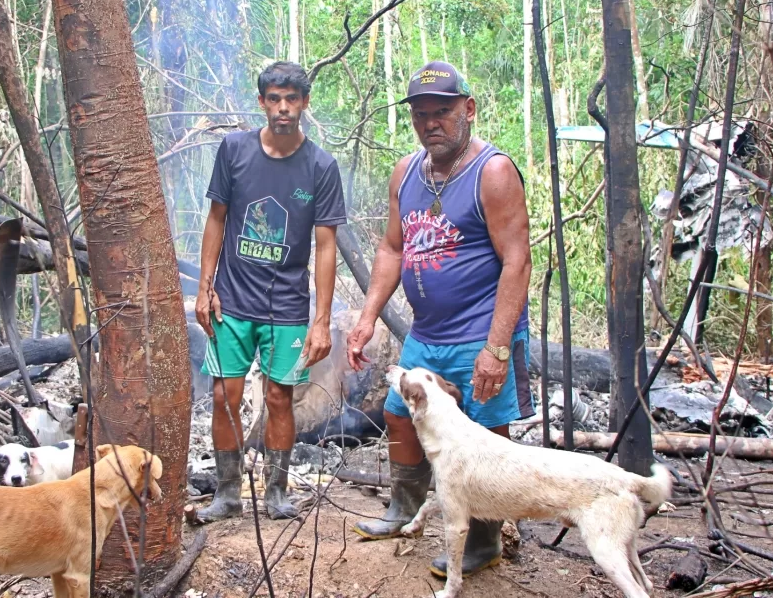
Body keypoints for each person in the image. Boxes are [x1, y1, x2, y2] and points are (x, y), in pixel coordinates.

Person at [345, 60, 533, 579]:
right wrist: (368, 319)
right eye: (422, 114)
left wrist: (496, 350)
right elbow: (390, 248)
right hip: (426, 333)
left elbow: (517, 260)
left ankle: (483, 538)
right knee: (400, 412)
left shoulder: (493, 172)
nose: (432, 123)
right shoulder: (406, 172)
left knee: (485, 433)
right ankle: (405, 510)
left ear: (468, 110)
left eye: (444, 112)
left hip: (481, 330)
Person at [194, 61, 347, 522]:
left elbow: (325, 245)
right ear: (261, 102)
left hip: (287, 305)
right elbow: (217, 218)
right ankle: (226, 493)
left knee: (280, 397)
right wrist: (205, 287)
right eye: (274, 99)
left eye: (292, 99)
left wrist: (321, 319)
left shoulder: (320, 166)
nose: (283, 108)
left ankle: (277, 492)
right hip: (233, 299)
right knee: (225, 394)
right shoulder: (235, 150)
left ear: (304, 103)